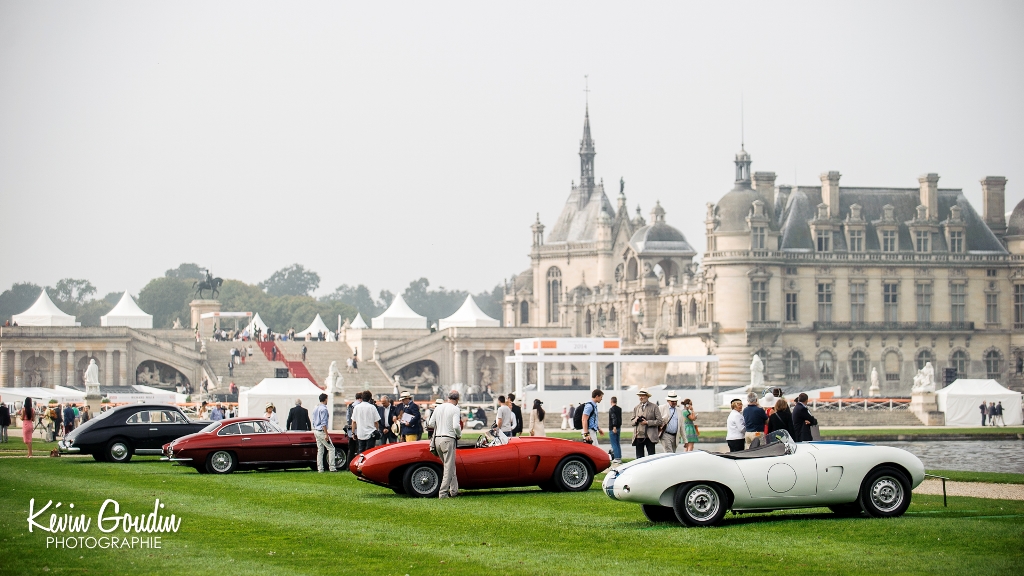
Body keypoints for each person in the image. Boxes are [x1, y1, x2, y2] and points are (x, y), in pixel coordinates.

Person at [428, 390, 462, 499]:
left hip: (437, 439)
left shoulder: (438, 408)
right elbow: (456, 426)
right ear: (457, 399)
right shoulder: (455, 409)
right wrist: (459, 434)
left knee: (449, 466)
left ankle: (454, 490)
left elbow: (431, 424)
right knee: (448, 468)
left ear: (448, 397)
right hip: (448, 438)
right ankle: (442, 493)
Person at [631, 389, 662, 458]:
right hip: (638, 436)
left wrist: (647, 422)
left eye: (642, 396)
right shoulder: (636, 408)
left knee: (651, 457)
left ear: (647, 396)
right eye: (639, 396)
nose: (640, 397)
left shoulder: (654, 407)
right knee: (639, 458)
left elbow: (660, 421)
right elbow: (632, 422)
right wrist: (636, 420)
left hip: (650, 437)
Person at [311, 393, 336, 472]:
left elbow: (314, 421)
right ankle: (332, 467)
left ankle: (320, 468)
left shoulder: (316, 408)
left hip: (316, 430)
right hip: (321, 431)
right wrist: (326, 434)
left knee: (320, 450)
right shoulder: (324, 409)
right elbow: (323, 423)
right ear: (325, 399)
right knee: (331, 448)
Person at [607, 396, 622, 462]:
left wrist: (614, 426)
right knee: (617, 443)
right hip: (619, 427)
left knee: (614, 443)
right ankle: (619, 457)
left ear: (611, 401)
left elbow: (614, 418)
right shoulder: (619, 409)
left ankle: (616, 458)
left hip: (613, 428)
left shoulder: (611, 409)